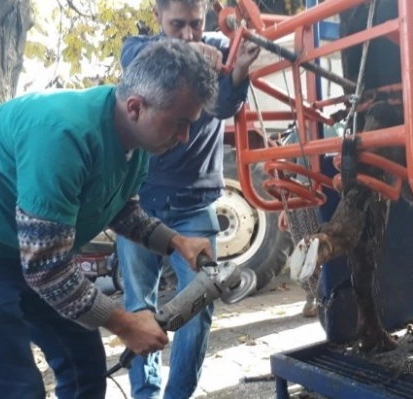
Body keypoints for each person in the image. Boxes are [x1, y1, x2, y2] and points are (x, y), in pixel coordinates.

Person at [0, 38, 219, 399]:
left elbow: (118, 209)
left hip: (17, 245)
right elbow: (47, 270)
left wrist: (175, 241)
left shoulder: (134, 141)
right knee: (15, 389)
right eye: (180, 124)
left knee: (82, 364)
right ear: (136, 106)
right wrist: (125, 323)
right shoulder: (63, 135)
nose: (184, 137)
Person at [115, 1, 261, 398]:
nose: (188, 34)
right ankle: (145, 394)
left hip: (195, 204)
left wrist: (240, 67)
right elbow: (135, 60)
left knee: (198, 308)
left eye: (195, 25)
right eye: (176, 25)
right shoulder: (139, 48)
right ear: (158, 16)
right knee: (138, 306)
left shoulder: (218, 47)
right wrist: (191, 54)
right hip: (140, 204)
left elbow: (222, 105)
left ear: (206, 17)